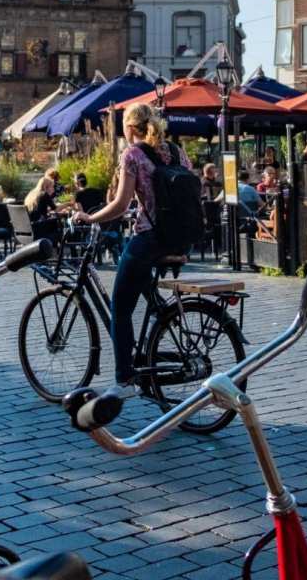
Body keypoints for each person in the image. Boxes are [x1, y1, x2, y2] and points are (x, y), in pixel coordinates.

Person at [85, 102, 192, 400]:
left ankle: (124, 380)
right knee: (139, 281)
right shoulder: (176, 151)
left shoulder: (132, 154)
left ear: (129, 128)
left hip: (150, 238)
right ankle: (159, 318)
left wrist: (90, 217)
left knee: (120, 308)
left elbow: (119, 205)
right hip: (179, 238)